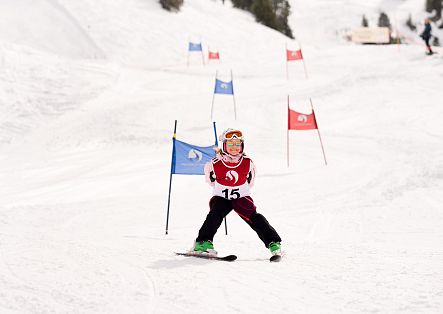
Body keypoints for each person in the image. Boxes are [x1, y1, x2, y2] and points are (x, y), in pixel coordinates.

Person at [192, 128, 282, 256]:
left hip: (241, 197)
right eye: (230, 144)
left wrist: (238, 190)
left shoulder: (247, 162)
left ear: (242, 145)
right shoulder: (214, 163)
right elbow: (211, 180)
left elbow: (250, 180)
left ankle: (273, 242)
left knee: (254, 217)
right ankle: (202, 242)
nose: (234, 147)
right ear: (224, 146)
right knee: (214, 215)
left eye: (237, 144)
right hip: (222, 196)